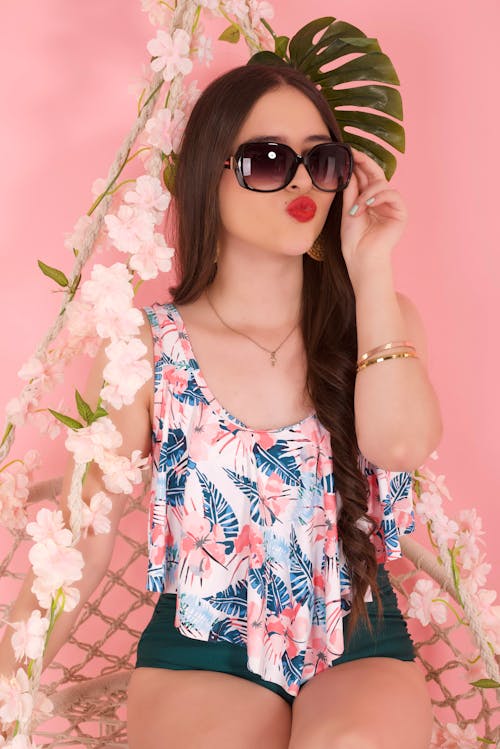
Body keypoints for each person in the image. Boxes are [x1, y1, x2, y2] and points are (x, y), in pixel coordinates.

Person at [0, 63, 442, 748]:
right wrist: (8, 677)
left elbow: (401, 446)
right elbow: (80, 541)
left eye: (320, 161)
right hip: (201, 645)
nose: (301, 183)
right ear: (210, 174)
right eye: (268, 160)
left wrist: (373, 267)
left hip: (358, 633)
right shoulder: (142, 346)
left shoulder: (382, 318)